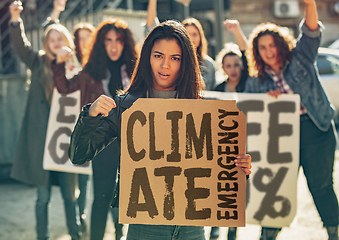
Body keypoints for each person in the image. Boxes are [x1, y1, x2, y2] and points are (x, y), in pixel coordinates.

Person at [67, 20, 252, 240]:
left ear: (185, 63)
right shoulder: (126, 106)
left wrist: (240, 167)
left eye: (175, 58)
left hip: (192, 227)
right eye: (158, 56)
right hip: (145, 226)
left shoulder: (204, 109)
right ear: (147, 57)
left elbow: (216, 173)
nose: (165, 65)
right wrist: (89, 115)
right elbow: (79, 155)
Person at [244, 0, 339, 240]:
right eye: (262, 47)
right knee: (275, 189)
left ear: (281, 44)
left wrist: (310, 4)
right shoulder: (257, 81)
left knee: (320, 186)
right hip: (280, 136)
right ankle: (268, 235)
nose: (269, 51)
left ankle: (334, 231)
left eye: (272, 44)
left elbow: (311, 31)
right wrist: (268, 101)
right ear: (257, 51)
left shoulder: (300, 58)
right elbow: (253, 113)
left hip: (315, 128)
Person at [52, 18, 138, 240]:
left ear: (125, 43)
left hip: (135, 140)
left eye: (118, 40)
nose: (113, 46)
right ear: (101, 43)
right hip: (104, 142)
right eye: (108, 40)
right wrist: (59, 64)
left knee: (131, 197)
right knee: (102, 197)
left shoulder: (137, 70)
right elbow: (64, 87)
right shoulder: (91, 72)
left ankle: (120, 234)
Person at [9, 1, 81, 240]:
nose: (56, 43)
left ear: (66, 42)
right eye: (52, 41)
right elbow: (20, 47)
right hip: (42, 142)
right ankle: (43, 236)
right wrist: (15, 20)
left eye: (60, 39)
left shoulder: (74, 67)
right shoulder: (38, 62)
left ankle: (76, 234)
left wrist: (69, 64)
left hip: (64, 141)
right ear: (46, 45)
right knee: (43, 197)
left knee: (71, 196)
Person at [211, 19, 249, 240]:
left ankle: (232, 230)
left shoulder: (248, 85)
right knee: (220, 185)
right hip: (223, 144)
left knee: (237, 189)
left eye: (236, 64)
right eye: (228, 65)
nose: (233, 69)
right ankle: (216, 226)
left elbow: (247, 54)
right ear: (222, 68)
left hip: (244, 145)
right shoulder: (218, 89)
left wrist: (236, 32)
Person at [72, 21, 96, 236]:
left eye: (89, 36)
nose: (85, 41)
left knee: (87, 178)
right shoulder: (69, 63)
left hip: (92, 127)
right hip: (68, 127)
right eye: (81, 37)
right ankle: (78, 220)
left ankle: (85, 217)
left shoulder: (97, 65)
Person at [182, 17, 216, 91]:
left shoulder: (210, 65)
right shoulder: (174, 60)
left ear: (200, 37)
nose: (191, 38)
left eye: (194, 34)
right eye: (187, 34)